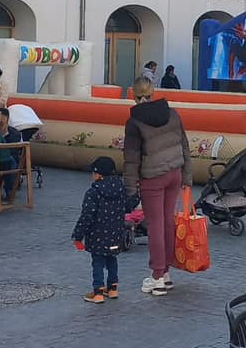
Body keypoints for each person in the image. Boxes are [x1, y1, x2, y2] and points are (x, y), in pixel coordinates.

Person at [122, 75, 192, 296]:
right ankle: (167, 273)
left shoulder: (134, 123)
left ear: (133, 96)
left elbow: (131, 159)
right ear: (153, 92)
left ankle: (157, 277)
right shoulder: (172, 113)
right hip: (175, 173)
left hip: (152, 177)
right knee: (167, 223)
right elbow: (184, 146)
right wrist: (187, 178)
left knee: (155, 226)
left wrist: (130, 190)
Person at [73, 156, 127, 304]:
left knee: (98, 262)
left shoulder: (93, 192)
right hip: (116, 234)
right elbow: (127, 207)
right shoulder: (121, 188)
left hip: (98, 236)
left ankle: (98, 292)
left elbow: (87, 216)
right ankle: (113, 289)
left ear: (99, 174)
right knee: (112, 259)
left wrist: (78, 235)